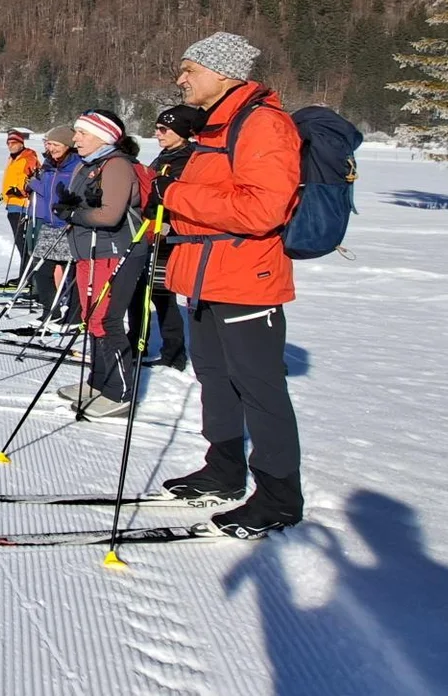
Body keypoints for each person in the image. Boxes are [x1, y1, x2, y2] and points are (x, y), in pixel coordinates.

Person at [156, 32, 305, 538]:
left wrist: (175, 194)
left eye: (190, 69)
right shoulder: (217, 124)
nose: (180, 78)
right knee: (215, 379)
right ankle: (223, 470)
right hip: (205, 275)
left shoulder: (263, 124)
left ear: (223, 74)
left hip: (246, 279)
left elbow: (263, 209)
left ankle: (279, 498)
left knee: (260, 390)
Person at [53, 110, 148, 419]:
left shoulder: (117, 164)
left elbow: (110, 215)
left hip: (115, 251)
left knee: (107, 320)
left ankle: (119, 392)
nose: (75, 138)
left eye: (82, 133)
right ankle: (98, 382)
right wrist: (70, 205)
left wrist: (74, 214)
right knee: (92, 318)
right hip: (89, 252)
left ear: (103, 136)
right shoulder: (88, 164)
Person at [138, 104, 207, 370]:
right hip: (154, 231)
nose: (158, 133)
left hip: (172, 236)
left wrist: (165, 217)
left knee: (163, 294)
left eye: (164, 129)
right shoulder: (165, 156)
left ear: (181, 131)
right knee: (152, 292)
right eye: (157, 128)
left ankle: (174, 353)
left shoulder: (189, 159)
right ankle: (150, 344)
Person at [24, 126, 82, 320]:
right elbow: (47, 192)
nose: (51, 148)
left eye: (56, 144)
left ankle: (74, 316)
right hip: (50, 224)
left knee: (71, 271)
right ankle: (51, 311)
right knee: (41, 270)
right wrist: (33, 183)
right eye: (49, 144)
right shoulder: (49, 164)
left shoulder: (77, 166)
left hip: (69, 225)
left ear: (68, 145)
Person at [0, 129, 42, 273]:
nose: (10, 146)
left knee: (22, 242)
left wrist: (21, 191)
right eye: (8, 143)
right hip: (12, 203)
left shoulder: (28, 157)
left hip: (23, 205)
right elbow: (12, 179)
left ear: (21, 143)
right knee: (19, 241)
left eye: (13, 143)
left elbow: (34, 178)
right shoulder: (12, 158)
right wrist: (4, 194)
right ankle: (24, 273)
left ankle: (27, 274)